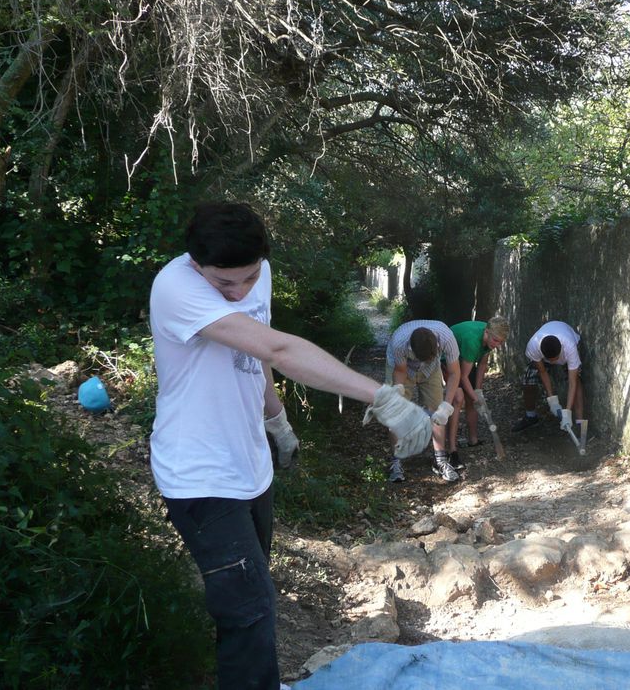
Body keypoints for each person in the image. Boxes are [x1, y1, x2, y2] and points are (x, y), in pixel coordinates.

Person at [150, 202, 436, 690]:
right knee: (249, 610)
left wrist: (277, 420)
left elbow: (259, 353)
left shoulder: (254, 272)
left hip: (250, 467)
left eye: (249, 278)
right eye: (225, 285)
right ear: (196, 263)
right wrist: (382, 396)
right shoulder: (176, 287)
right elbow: (283, 350)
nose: (239, 292)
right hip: (197, 473)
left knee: (253, 596)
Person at [384, 319, 462, 483]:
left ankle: (440, 460)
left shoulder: (447, 337)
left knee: (437, 410)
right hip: (401, 368)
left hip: (432, 370)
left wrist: (446, 406)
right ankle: (396, 461)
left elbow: (455, 373)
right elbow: (400, 371)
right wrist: (398, 389)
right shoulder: (399, 342)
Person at [446, 317, 509, 469]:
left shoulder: (489, 340)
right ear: (487, 332)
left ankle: (473, 439)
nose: (497, 345)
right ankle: (452, 451)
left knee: (471, 396)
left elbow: (481, 365)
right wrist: (477, 399)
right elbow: (462, 376)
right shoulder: (473, 341)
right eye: (495, 341)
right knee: (458, 398)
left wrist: (477, 392)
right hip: (447, 357)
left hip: (464, 356)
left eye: (500, 342)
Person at [511, 320, 585, 436]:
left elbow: (572, 382)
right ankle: (531, 416)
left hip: (568, 342)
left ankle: (580, 423)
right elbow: (542, 371)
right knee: (528, 380)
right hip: (545, 350)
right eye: (550, 360)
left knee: (577, 380)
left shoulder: (570, 347)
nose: (553, 362)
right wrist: (552, 400)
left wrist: (567, 412)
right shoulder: (533, 346)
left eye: (555, 359)